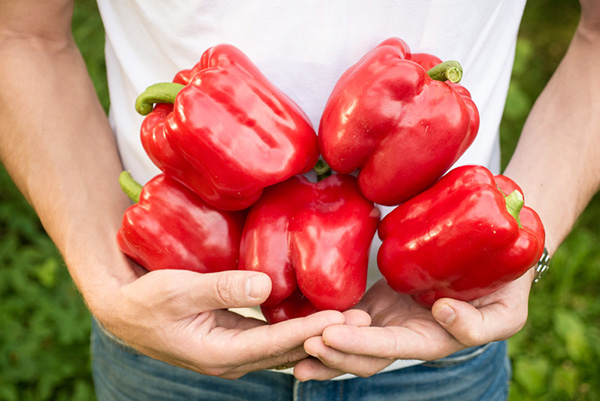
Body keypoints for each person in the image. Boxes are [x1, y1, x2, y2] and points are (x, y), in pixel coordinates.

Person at [0, 0, 598, 400]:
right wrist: (106, 283)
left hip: (441, 329)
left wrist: (517, 249)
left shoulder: (424, 94)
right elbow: (20, 33)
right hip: (166, 323)